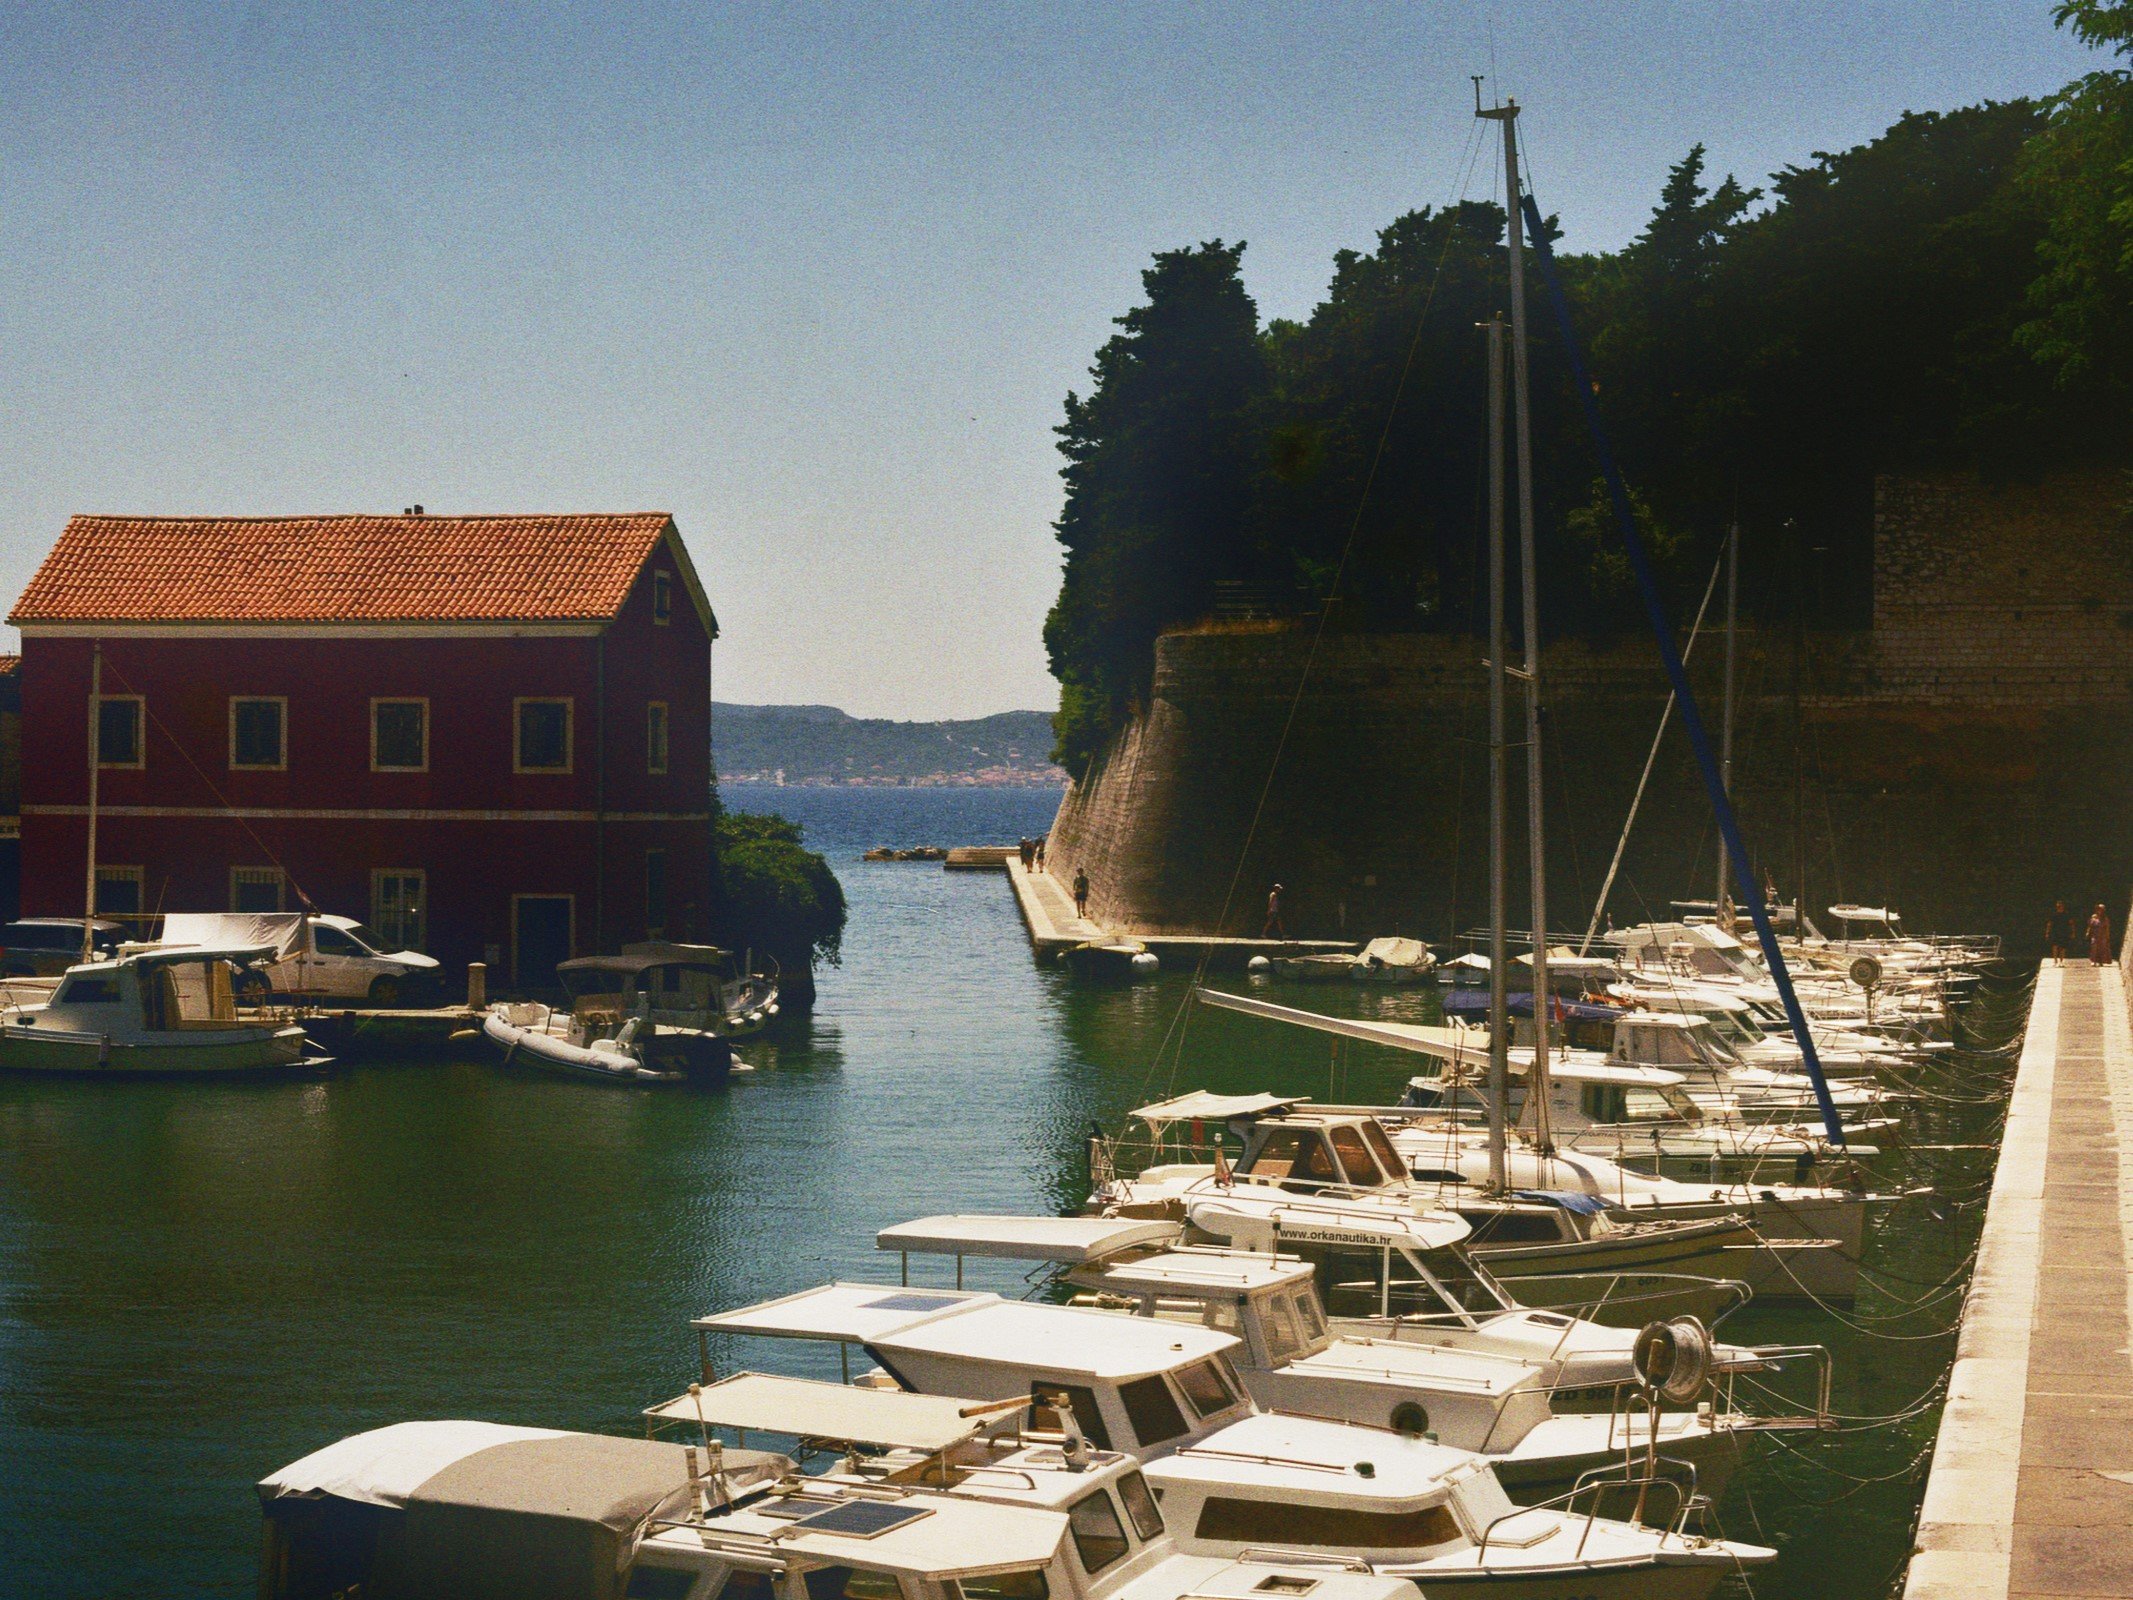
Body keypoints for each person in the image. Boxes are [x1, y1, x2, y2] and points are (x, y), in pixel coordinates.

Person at [2048, 899, 2078, 965]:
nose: (2059, 907)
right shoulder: (2054, 914)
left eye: (2060, 906)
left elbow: (2071, 923)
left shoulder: (2066, 914)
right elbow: (2049, 923)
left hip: (2064, 932)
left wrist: (2073, 932)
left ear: (2063, 906)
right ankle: (2055, 961)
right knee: (2055, 946)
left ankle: (2061, 961)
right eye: (2058, 906)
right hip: (2055, 932)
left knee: (2063, 947)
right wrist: (2047, 932)